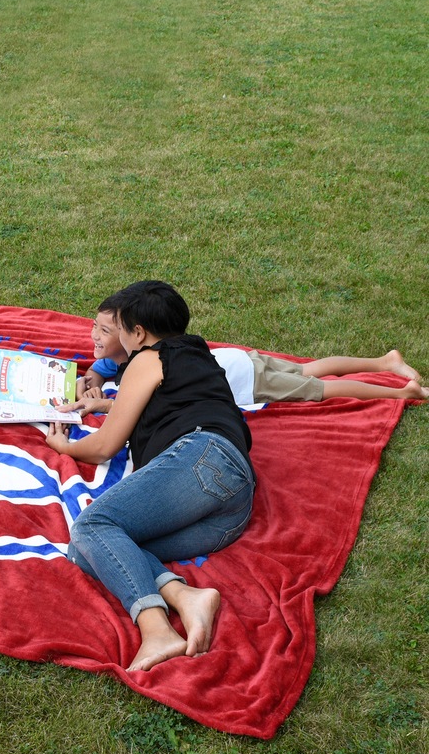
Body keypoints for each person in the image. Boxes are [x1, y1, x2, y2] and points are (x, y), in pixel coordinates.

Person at [46, 281, 256, 674]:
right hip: (233, 504)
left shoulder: (147, 358)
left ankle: (156, 629)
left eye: (120, 328)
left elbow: (105, 446)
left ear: (138, 333)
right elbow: (165, 403)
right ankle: (186, 597)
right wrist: (104, 402)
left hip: (202, 459)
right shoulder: (197, 355)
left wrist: (64, 447)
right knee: (88, 549)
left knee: (92, 526)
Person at [74, 295, 426, 412]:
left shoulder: (142, 364)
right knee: (309, 369)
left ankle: (401, 393)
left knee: (321, 388)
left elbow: (134, 407)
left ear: (135, 334)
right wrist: (91, 382)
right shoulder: (121, 357)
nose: (95, 336)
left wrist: (100, 403)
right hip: (234, 359)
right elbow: (99, 370)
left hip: (243, 379)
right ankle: (385, 362)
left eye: (106, 331)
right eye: (96, 326)